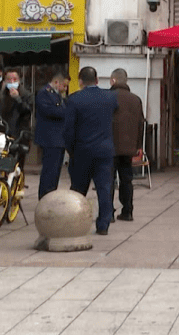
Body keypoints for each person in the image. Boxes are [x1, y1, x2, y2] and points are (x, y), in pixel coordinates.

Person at [65, 66, 118, 235]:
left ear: (80, 81)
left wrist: (71, 150)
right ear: (97, 80)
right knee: (104, 189)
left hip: (82, 151)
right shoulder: (110, 98)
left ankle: (74, 221)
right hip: (104, 151)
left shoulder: (74, 100)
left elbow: (68, 130)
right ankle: (103, 225)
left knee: (78, 189)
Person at [109, 68, 145, 222]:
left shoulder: (108, 97)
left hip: (109, 147)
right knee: (127, 180)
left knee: (108, 180)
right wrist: (138, 146)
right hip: (129, 148)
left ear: (113, 80)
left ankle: (108, 213)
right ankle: (128, 211)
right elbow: (141, 124)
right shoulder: (135, 99)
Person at [34, 72, 70, 199]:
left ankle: (51, 194)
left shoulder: (58, 95)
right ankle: (45, 196)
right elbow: (50, 111)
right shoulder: (44, 93)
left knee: (56, 172)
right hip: (50, 139)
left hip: (59, 140)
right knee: (50, 171)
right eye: (64, 86)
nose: (65, 89)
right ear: (56, 83)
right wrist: (66, 111)